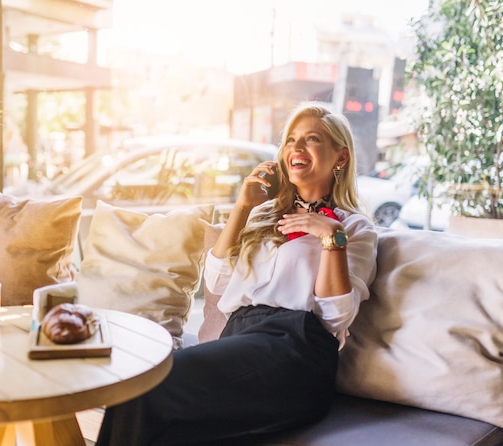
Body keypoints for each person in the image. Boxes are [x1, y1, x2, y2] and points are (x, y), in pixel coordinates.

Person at [96, 104, 378, 445]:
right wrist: (242, 209)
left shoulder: (353, 228)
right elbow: (218, 282)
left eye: (311, 139)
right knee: (141, 393)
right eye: (291, 140)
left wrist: (330, 237)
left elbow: (334, 317)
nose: (296, 148)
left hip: (295, 350)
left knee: (146, 384)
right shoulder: (263, 215)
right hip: (239, 338)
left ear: (341, 158)